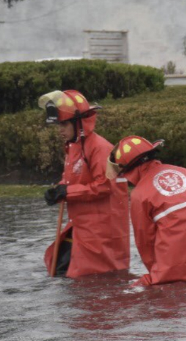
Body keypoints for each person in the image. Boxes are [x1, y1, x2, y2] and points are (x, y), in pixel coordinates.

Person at [105, 136, 186, 287]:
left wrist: (156, 272)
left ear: (129, 170)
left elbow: (145, 241)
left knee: (144, 296)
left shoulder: (140, 194)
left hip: (174, 261)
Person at [40, 90, 130, 278]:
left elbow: (105, 186)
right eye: (59, 124)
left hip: (101, 232)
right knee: (60, 271)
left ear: (77, 122)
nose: (60, 129)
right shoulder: (74, 147)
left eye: (64, 124)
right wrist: (58, 190)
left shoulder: (100, 148)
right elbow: (73, 179)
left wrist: (67, 191)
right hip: (83, 227)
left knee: (89, 280)